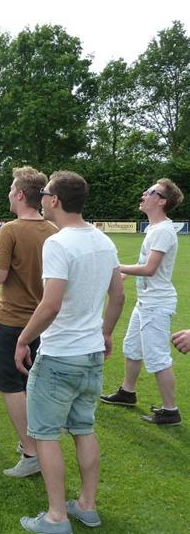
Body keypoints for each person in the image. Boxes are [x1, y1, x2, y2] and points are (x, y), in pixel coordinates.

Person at [14, 171, 125, 534]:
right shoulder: (104, 241)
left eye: (45, 193)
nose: (42, 198)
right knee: (83, 428)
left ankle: (57, 516)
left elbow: (51, 304)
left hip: (61, 355)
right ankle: (87, 506)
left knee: (45, 435)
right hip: (91, 354)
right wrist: (105, 333)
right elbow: (118, 297)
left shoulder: (59, 244)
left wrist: (24, 339)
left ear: (55, 200)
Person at [0, 167, 57, 477]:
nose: (8, 195)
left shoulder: (10, 229)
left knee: (10, 386)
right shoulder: (54, 230)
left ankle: (31, 452)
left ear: (19, 195)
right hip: (42, 321)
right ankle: (37, 446)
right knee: (32, 385)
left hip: (11, 321)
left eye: (10, 189)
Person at [100, 179, 184, 425]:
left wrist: (117, 268)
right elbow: (145, 265)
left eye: (151, 192)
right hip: (146, 301)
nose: (144, 194)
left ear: (162, 201)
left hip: (157, 304)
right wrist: (126, 273)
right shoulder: (154, 229)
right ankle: (127, 392)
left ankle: (171, 411)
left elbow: (149, 268)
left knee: (157, 357)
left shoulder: (163, 231)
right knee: (132, 348)